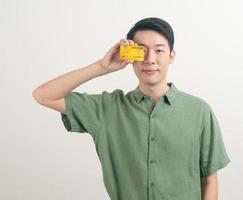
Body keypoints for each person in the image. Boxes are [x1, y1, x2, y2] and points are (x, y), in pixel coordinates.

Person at [32, 17, 230, 200]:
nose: (150, 59)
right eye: (142, 51)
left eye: (159, 50)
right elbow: (43, 95)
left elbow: (209, 180)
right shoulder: (107, 109)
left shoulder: (199, 111)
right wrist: (102, 66)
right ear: (131, 56)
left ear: (172, 56)